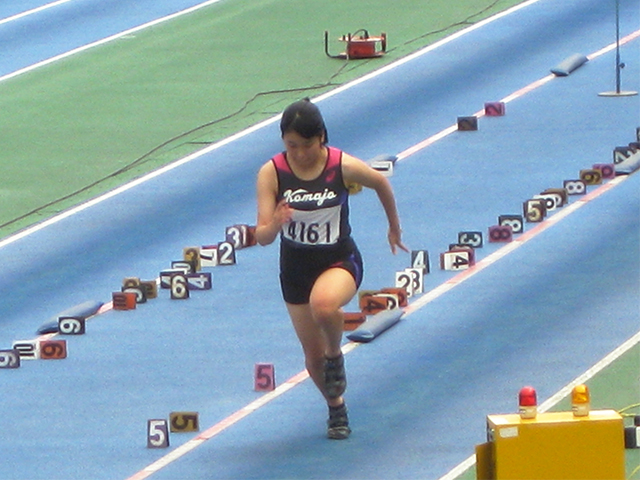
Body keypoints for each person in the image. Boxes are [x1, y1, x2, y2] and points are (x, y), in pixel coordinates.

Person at [255, 98, 407, 439]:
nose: (299, 153)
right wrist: (276, 222)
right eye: (291, 145)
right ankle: (336, 407)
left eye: (306, 145)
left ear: (321, 137)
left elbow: (381, 183)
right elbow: (262, 236)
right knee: (312, 360)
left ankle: (335, 352)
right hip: (295, 269)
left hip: (339, 260)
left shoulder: (340, 166)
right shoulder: (272, 173)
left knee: (323, 305)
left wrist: (393, 228)